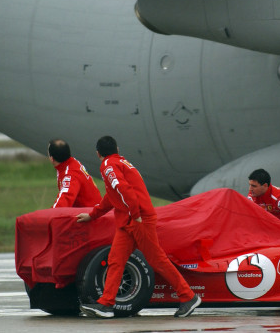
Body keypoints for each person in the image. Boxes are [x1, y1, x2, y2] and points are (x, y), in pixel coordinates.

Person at [77, 135, 201, 318]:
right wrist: (92, 215)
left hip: (137, 220)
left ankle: (188, 296)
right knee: (116, 260)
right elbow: (113, 196)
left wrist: (135, 215)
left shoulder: (108, 165)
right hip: (130, 221)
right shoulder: (122, 162)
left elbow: (123, 190)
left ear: (98, 154)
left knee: (157, 260)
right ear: (117, 149)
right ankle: (106, 304)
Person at [47, 139, 102, 208]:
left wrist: (48, 216)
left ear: (52, 159)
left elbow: (63, 202)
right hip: (91, 211)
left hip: (92, 214)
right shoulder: (71, 163)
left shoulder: (70, 175)